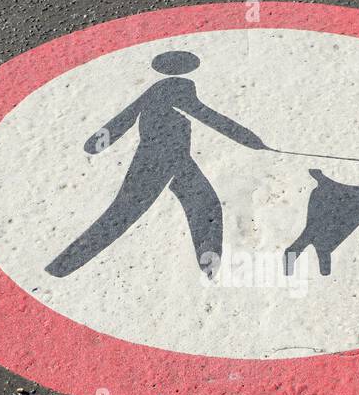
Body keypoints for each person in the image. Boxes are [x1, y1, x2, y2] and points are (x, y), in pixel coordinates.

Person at [46, 51, 266, 278]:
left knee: (204, 203)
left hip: (176, 157)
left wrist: (100, 140)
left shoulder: (156, 90)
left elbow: (128, 114)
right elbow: (202, 113)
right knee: (124, 213)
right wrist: (245, 137)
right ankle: (63, 265)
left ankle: (209, 266)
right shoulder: (177, 86)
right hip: (156, 157)